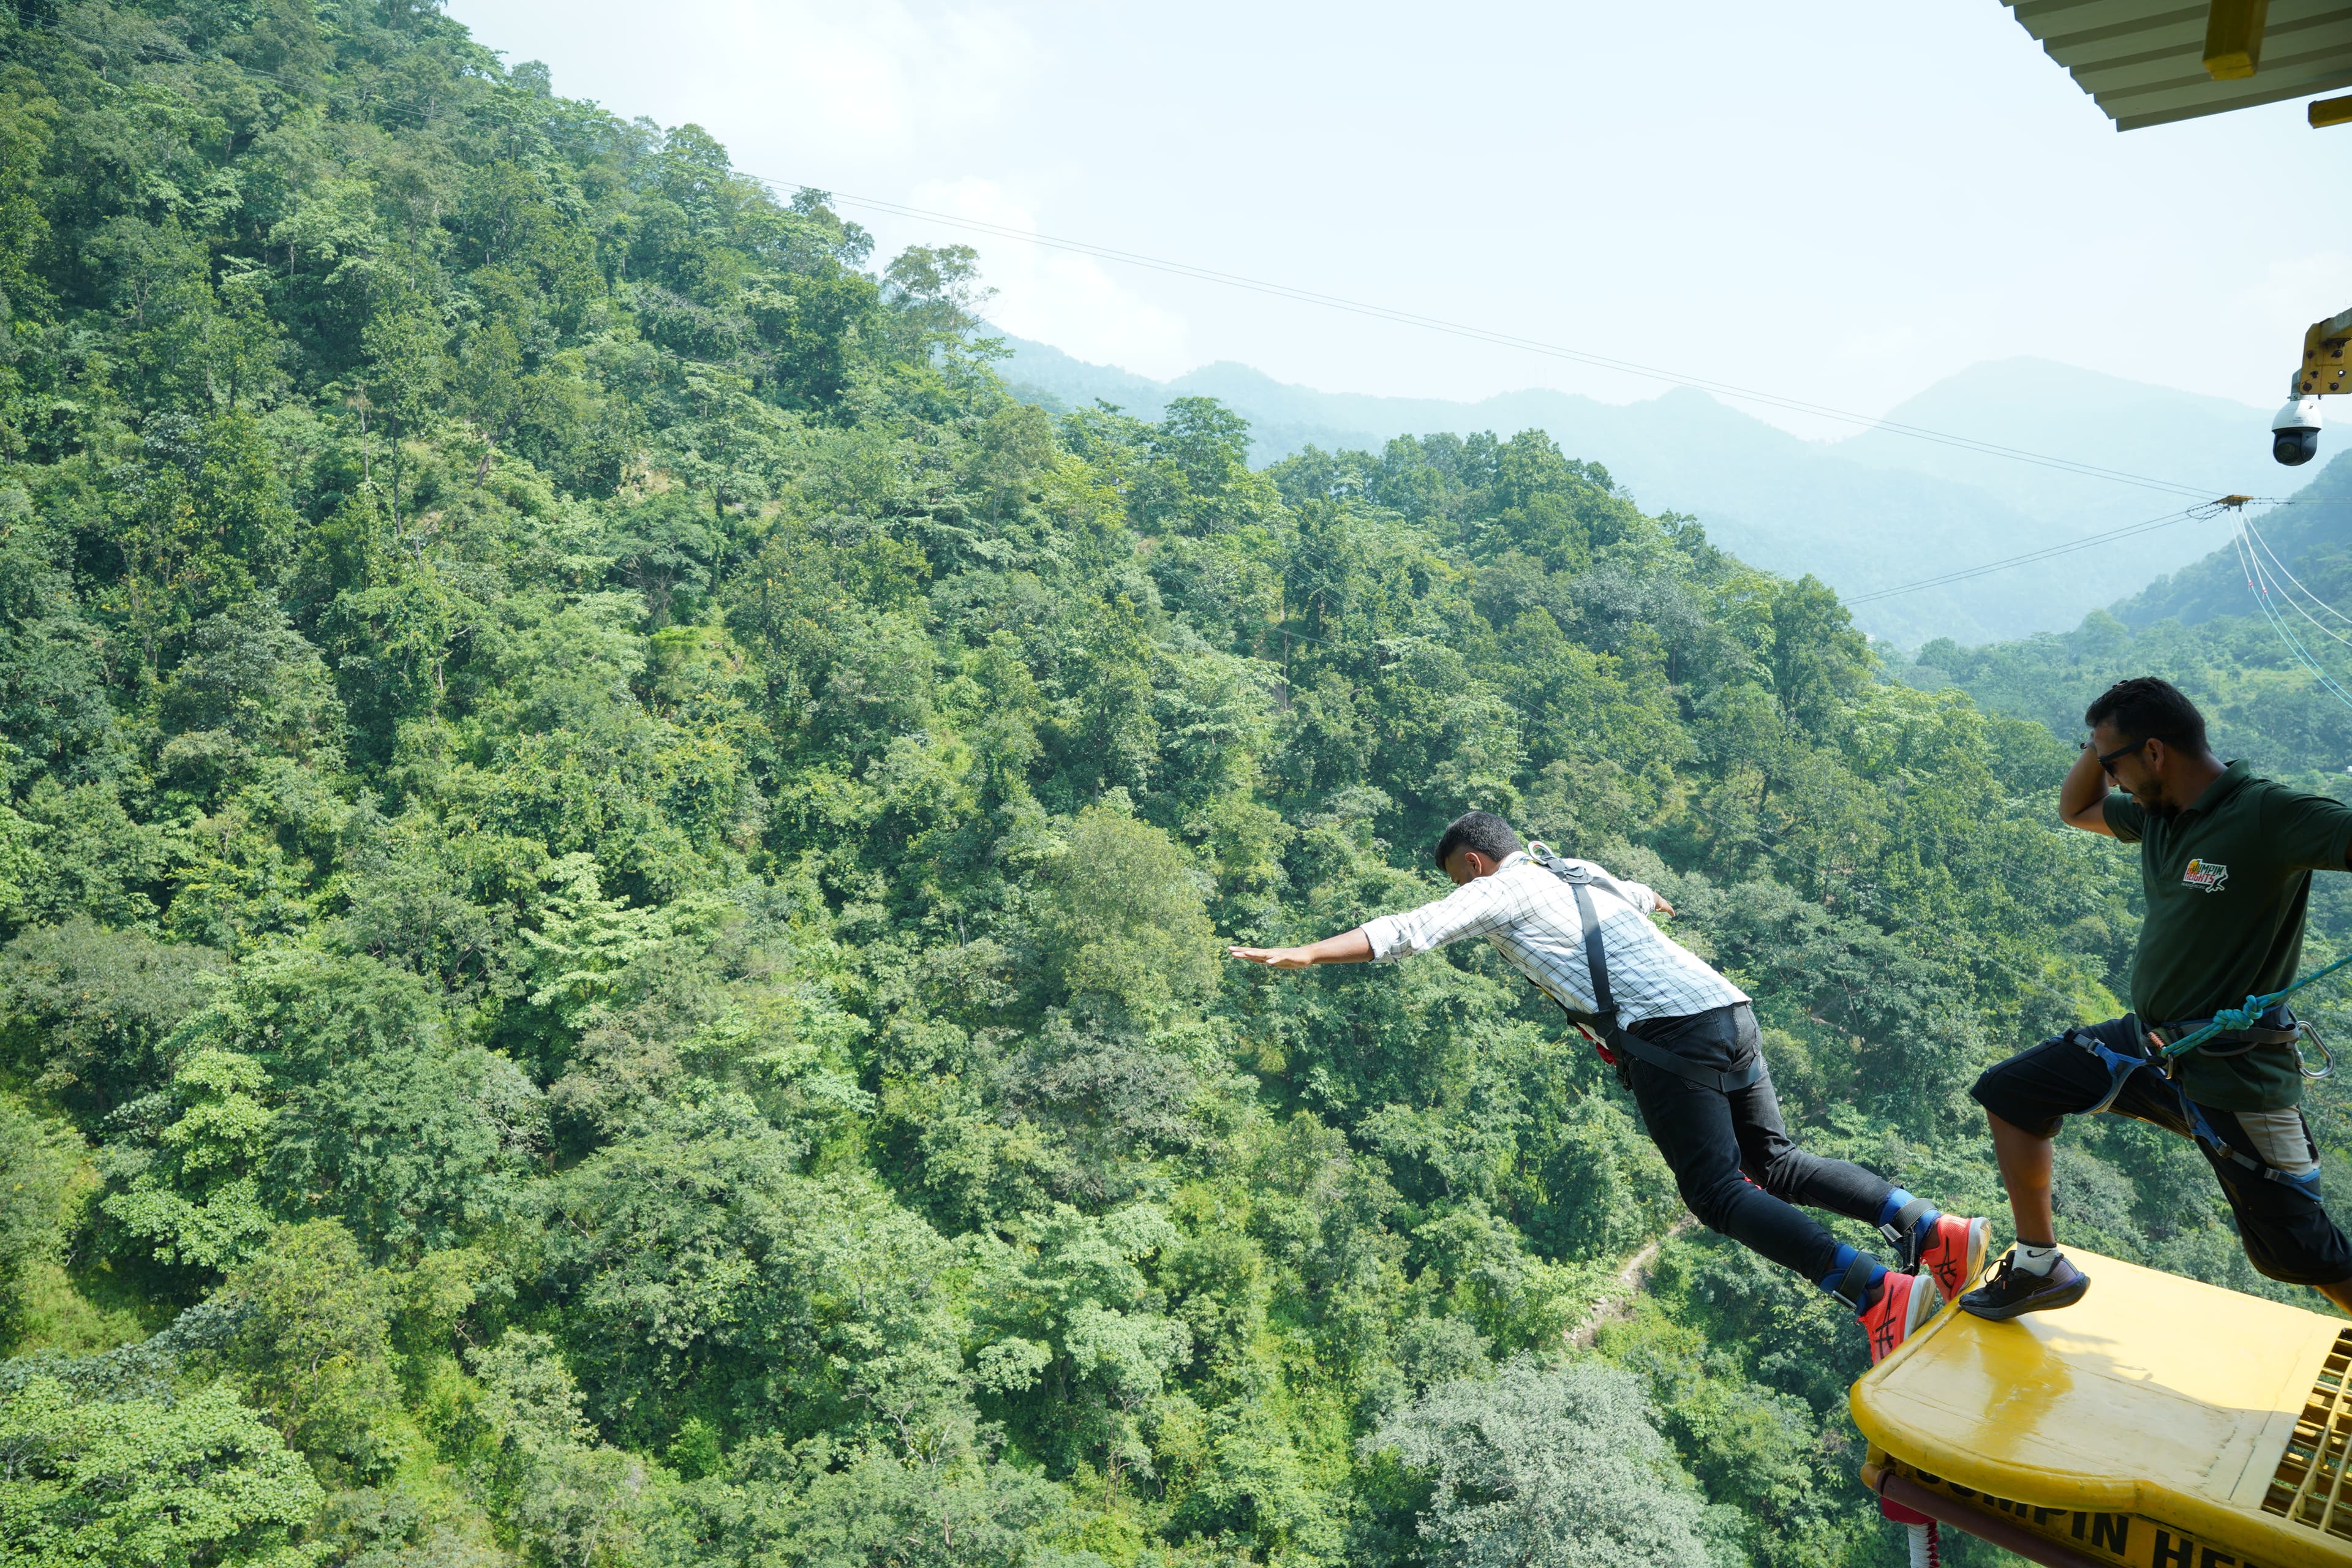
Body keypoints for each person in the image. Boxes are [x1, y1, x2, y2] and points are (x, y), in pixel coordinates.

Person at [1229, 809, 1987, 1364]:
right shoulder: (1575, 871)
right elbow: (1640, 890)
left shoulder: (1502, 890)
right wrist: (1651, 900)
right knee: (1777, 1162)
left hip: (1669, 1038)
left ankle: (1875, 1291)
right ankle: (1932, 1228)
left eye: (1461, 876)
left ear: (1475, 864)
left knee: (1717, 1192)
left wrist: (1306, 953)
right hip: (1727, 1007)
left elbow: (1410, 929)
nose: (1464, 888)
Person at [1964, 676, 2352, 1320]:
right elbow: (2076, 808)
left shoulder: (2264, 813)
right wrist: (2097, 741)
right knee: (2013, 1092)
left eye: (2112, 760)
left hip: (2234, 1071)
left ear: (2154, 752)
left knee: (2300, 1253)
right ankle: (2039, 1266)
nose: (2108, 778)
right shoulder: (2158, 815)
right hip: (2152, 1044)